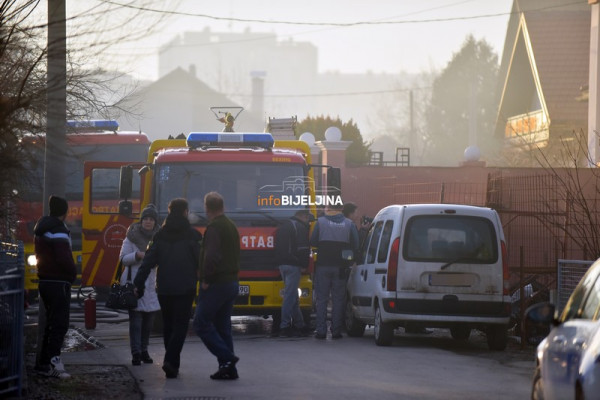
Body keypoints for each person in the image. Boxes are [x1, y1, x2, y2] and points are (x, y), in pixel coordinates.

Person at [134, 198, 202, 379]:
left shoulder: (159, 236)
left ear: (170, 211)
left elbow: (147, 262)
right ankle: (171, 361)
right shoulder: (193, 235)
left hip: (164, 288)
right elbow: (201, 262)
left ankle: (173, 364)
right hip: (186, 288)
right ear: (186, 212)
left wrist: (138, 284)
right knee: (180, 326)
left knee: (169, 326)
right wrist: (205, 283)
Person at [193, 192, 241, 380]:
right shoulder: (230, 225)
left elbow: (211, 256)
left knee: (200, 322)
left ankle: (227, 358)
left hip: (217, 283)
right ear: (223, 206)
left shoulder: (214, 228)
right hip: (231, 282)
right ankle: (228, 369)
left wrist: (206, 279)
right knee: (222, 327)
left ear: (207, 208)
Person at [33, 195, 77, 379]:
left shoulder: (43, 228)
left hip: (45, 281)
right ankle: (53, 362)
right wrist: (72, 273)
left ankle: (43, 364)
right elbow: (63, 257)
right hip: (59, 282)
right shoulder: (58, 230)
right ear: (64, 212)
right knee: (60, 324)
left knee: (50, 323)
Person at [118, 204, 161, 366]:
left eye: (151, 219)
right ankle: (136, 353)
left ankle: (144, 350)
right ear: (141, 220)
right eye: (146, 219)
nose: (148, 222)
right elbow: (122, 258)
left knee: (149, 322)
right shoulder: (131, 236)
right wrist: (137, 255)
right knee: (136, 322)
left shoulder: (159, 237)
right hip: (134, 284)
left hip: (152, 285)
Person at [310, 203, 359, 340]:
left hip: (323, 266)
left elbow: (313, 241)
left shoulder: (320, 222)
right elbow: (356, 244)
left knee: (322, 299)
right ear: (341, 210)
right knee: (338, 300)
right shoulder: (349, 224)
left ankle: (321, 331)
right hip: (340, 267)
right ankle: (336, 331)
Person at [274, 209, 314, 338]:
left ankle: (300, 324)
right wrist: (303, 265)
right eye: (308, 218)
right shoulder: (300, 227)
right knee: (290, 296)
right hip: (293, 265)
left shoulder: (283, 226)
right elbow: (303, 248)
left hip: (282, 265)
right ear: (303, 216)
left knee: (293, 296)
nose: (308, 222)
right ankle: (284, 326)